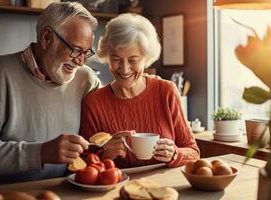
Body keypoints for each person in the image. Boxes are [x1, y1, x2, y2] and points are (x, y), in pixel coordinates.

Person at [0, 2, 101, 190]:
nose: (80, 61)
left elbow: (102, 133)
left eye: (86, 53)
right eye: (76, 50)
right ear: (46, 38)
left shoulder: (86, 79)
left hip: (53, 193)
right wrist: (40, 153)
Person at [80, 13, 200, 168]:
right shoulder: (94, 103)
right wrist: (104, 155)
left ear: (146, 59)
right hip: (117, 189)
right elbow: (82, 162)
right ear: (107, 57)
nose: (124, 69)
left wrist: (175, 154)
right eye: (116, 59)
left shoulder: (166, 91)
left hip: (165, 188)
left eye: (133, 60)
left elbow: (193, 151)